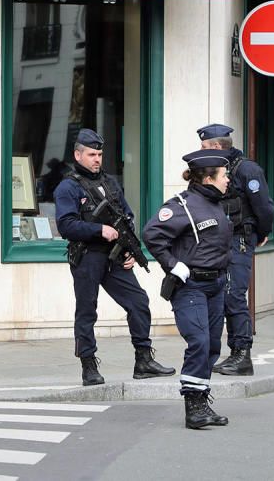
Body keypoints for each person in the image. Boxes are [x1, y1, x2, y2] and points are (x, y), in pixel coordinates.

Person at [54, 128, 175, 386]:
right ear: (78, 155)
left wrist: (131, 250)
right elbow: (66, 225)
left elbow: (126, 216)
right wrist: (99, 229)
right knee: (87, 311)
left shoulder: (110, 183)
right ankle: (88, 365)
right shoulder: (69, 187)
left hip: (115, 256)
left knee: (139, 302)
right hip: (87, 256)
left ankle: (143, 359)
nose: (97, 159)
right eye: (91, 154)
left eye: (99, 154)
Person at [144, 149, 234, 429]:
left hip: (216, 284)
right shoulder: (181, 205)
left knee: (212, 347)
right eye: (224, 175)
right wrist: (172, 264)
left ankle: (201, 399)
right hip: (191, 286)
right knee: (199, 342)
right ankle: (193, 407)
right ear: (208, 178)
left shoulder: (218, 203)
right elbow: (151, 234)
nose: (228, 179)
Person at [197, 124, 274, 376]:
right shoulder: (214, 169)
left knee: (234, 296)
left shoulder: (246, 169)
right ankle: (232, 354)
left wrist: (261, 234)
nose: (201, 150)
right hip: (217, 241)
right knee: (223, 296)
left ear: (217, 147)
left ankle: (243, 355)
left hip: (239, 239)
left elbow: (264, 207)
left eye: (205, 146)